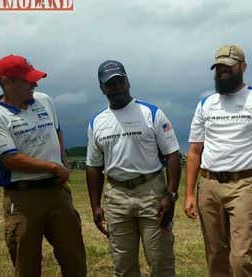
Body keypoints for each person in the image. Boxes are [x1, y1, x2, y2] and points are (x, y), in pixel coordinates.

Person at [0, 54, 86, 277]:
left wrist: (63, 158)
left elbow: (56, 130)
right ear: (7, 82)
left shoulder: (44, 100)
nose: (35, 84)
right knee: (27, 263)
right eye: (28, 80)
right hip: (23, 198)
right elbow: (10, 158)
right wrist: (53, 167)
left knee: (74, 256)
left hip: (57, 193)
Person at [185, 45, 252, 277]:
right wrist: (189, 193)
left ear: (243, 67)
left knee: (242, 258)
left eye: (228, 66)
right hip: (208, 185)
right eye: (218, 67)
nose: (222, 72)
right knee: (216, 254)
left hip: (244, 185)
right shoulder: (205, 104)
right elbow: (195, 151)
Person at [86, 60, 181, 277]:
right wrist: (95, 205)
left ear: (128, 81)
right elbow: (93, 167)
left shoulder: (151, 113)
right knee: (123, 264)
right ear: (102, 88)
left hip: (151, 192)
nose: (117, 87)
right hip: (117, 196)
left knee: (160, 260)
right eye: (110, 84)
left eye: (120, 81)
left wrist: (171, 194)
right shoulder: (97, 123)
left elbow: (172, 154)